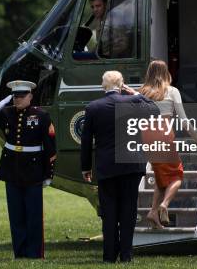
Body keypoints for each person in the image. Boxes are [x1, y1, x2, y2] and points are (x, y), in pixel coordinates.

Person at [0, 80, 56, 259]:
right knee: (16, 215)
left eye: (21, 96)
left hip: (33, 170)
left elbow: (50, 146)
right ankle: (20, 252)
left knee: (33, 215)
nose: (18, 100)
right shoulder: (6, 113)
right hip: (11, 168)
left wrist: (49, 173)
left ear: (30, 96)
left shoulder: (41, 115)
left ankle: (34, 253)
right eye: (15, 96)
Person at [80, 71, 150, 263]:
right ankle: (126, 255)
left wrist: (86, 167)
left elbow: (86, 141)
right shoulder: (132, 102)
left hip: (106, 165)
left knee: (109, 212)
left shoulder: (93, 107)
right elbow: (155, 110)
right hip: (131, 165)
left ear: (103, 85)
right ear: (122, 85)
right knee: (128, 211)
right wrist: (135, 94)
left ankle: (109, 255)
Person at [135, 60, 197, 229]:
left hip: (147, 136)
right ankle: (164, 205)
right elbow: (184, 121)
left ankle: (153, 212)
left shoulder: (141, 92)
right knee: (177, 175)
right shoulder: (171, 91)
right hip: (163, 135)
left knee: (161, 175)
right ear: (166, 72)